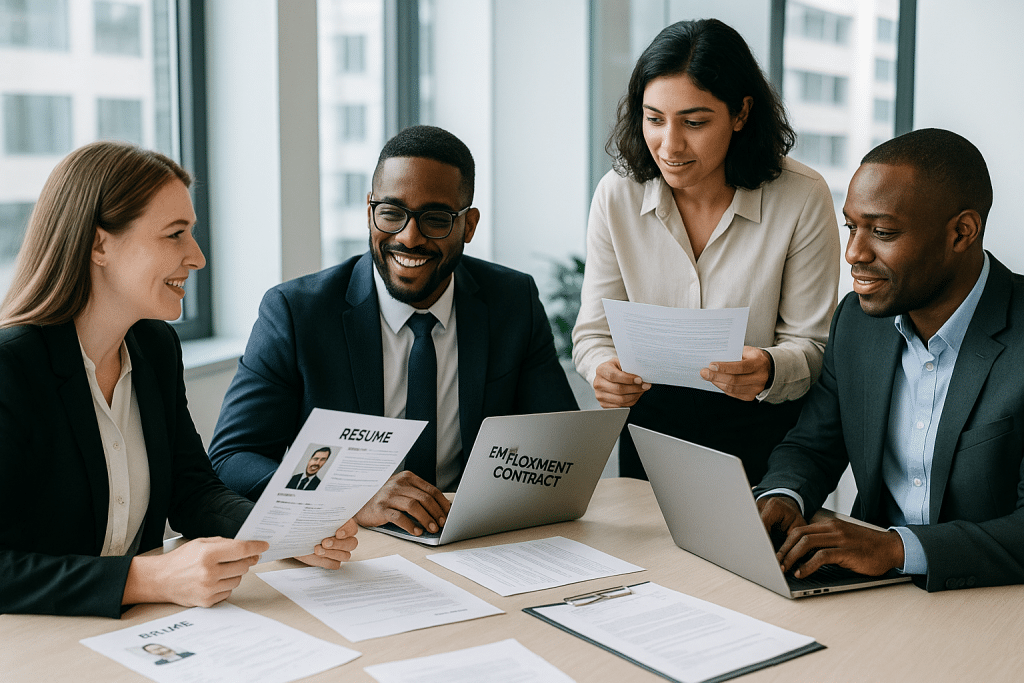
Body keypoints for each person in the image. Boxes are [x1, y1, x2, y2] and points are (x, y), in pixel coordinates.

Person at [0, 141, 358, 618]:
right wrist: (147, 578)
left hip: (140, 629)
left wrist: (281, 531)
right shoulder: (10, 369)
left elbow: (193, 491)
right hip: (37, 639)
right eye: (175, 234)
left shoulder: (155, 348)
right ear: (99, 245)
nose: (197, 257)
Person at [209, 125, 578, 537]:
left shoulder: (512, 300)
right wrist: (350, 496)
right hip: (350, 543)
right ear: (369, 211)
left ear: (469, 226)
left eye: (435, 219)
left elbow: (563, 443)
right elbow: (231, 459)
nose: (409, 237)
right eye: (391, 213)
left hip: (473, 538)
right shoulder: (296, 313)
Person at [755, 128, 1024, 591]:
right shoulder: (857, 322)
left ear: (962, 232)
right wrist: (784, 495)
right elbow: (813, 445)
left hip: (989, 599)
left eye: (882, 232)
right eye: (851, 227)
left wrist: (895, 548)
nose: (854, 253)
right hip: (871, 592)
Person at [573, 18, 840, 484]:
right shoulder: (616, 195)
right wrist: (602, 370)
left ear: (741, 113)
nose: (669, 145)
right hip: (650, 426)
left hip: (763, 425)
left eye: (694, 123)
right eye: (654, 119)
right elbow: (593, 334)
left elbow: (813, 346)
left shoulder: (801, 196)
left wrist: (769, 368)